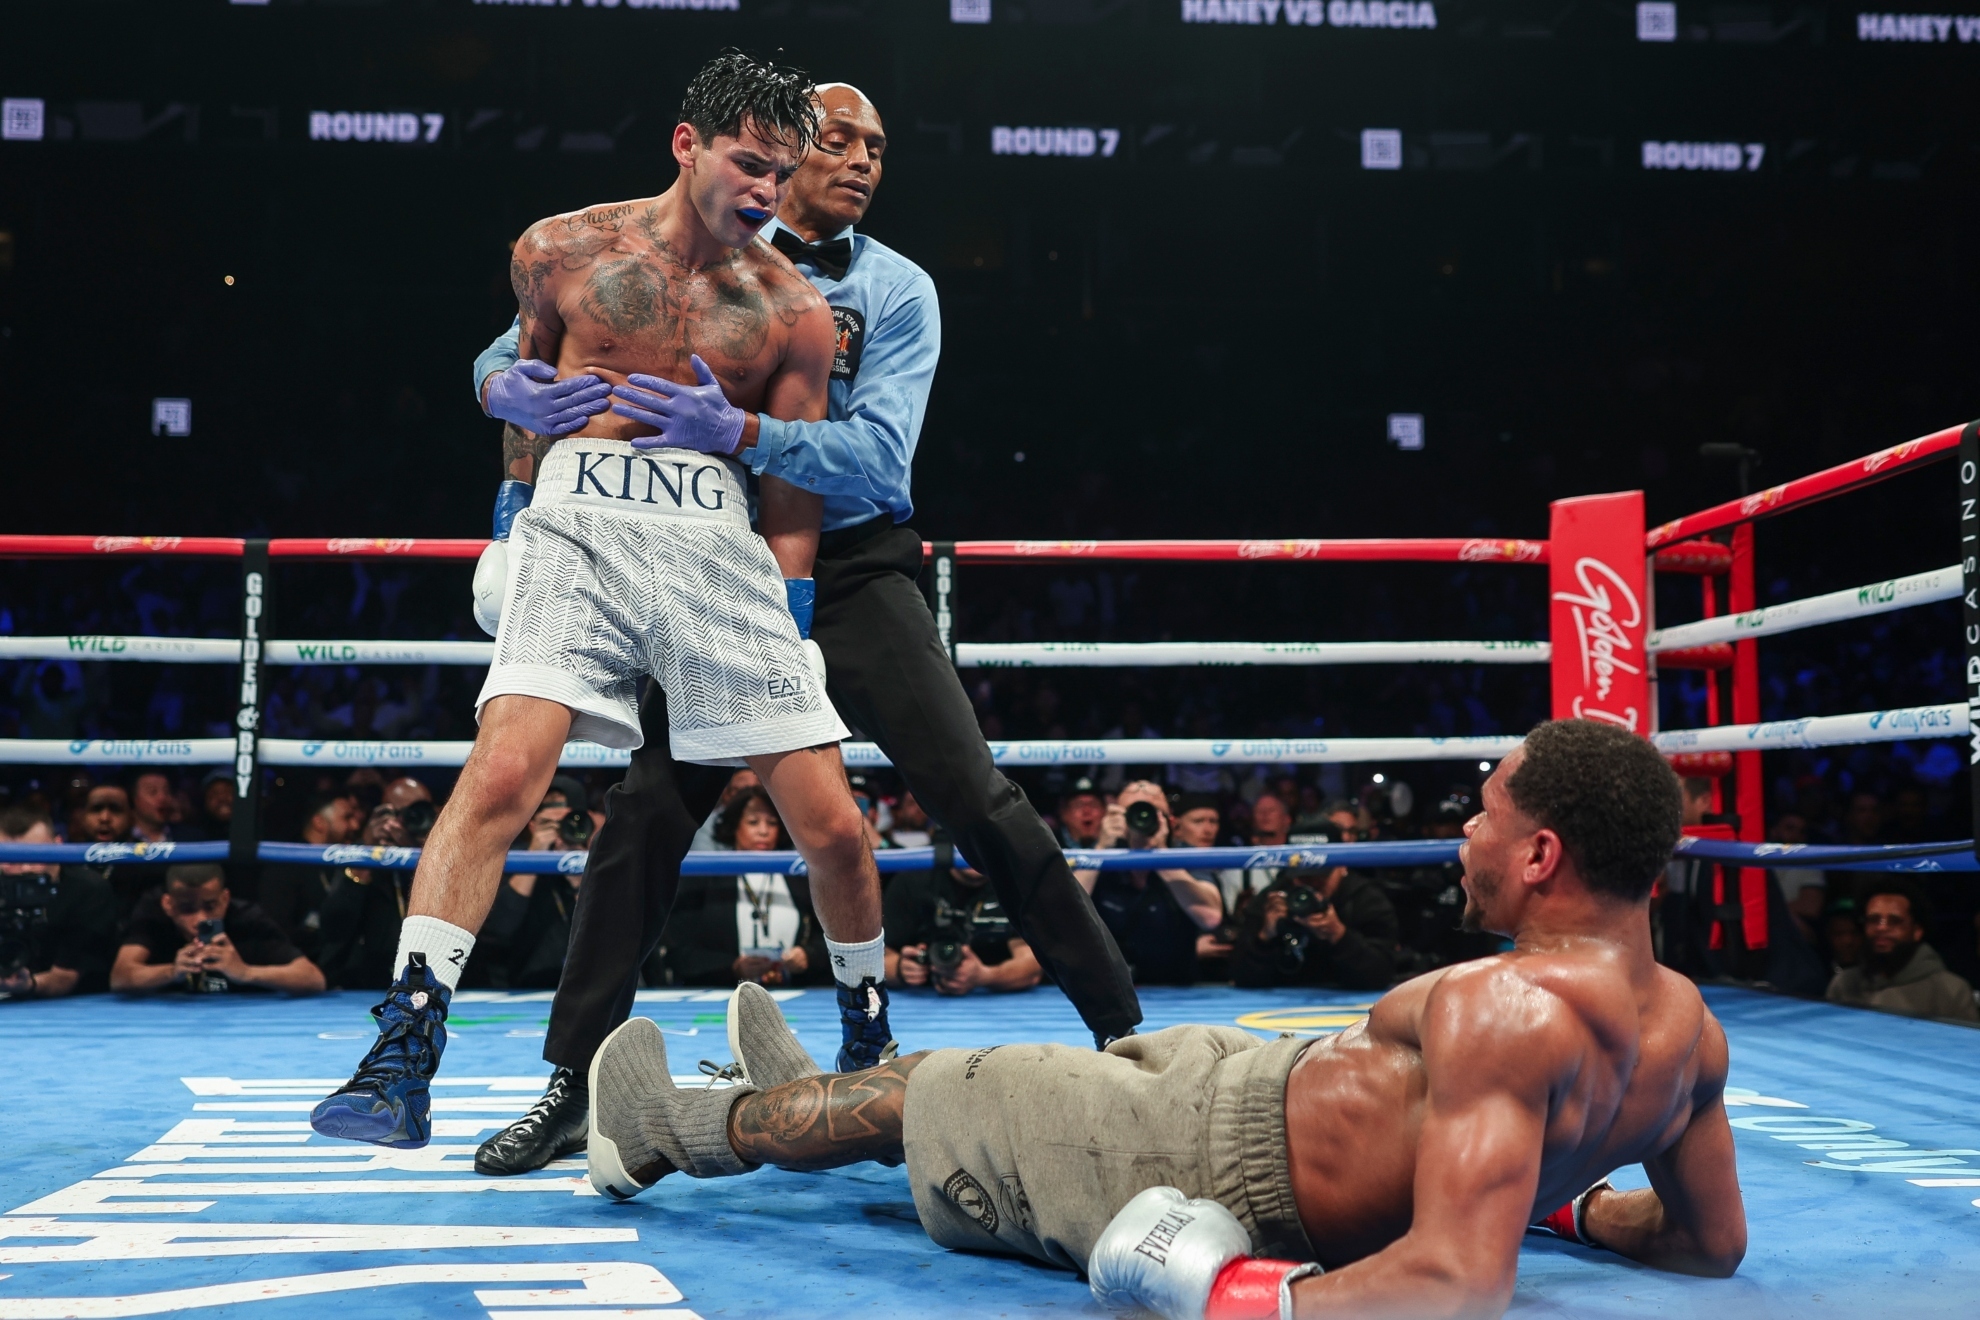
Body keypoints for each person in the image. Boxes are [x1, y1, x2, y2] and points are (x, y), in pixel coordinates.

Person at [467, 76, 1139, 1176]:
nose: (863, 161)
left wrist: (736, 428)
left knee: (973, 793)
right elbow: (508, 351)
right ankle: (570, 1087)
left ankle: (1120, 1028)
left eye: (879, 145)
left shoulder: (899, 290)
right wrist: (505, 388)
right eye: (837, 141)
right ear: (772, 152)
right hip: (708, 559)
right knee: (643, 816)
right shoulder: (682, 249)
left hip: (858, 565)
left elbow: (880, 460)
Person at [584, 717, 1747, 1320]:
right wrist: (1568, 1195)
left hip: (1217, 1164)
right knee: (999, 1078)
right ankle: (799, 1103)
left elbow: (1455, 1284)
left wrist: (1231, 1291)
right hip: (1244, 1086)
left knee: (939, 1095)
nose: (1464, 837)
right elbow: (1708, 1242)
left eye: (1485, 817)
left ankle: (665, 1130)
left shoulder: (1508, 1009)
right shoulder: (1688, 1029)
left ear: (1543, 854)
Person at [313, 53, 891, 1153]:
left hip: (713, 538)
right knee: (503, 775)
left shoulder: (794, 311)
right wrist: (506, 514)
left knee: (836, 829)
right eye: (748, 164)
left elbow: (792, 485)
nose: (766, 191)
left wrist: (798, 606)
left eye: (780, 172)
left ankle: (867, 1042)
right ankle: (404, 1051)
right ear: (688, 143)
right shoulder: (558, 248)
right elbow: (524, 391)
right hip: (577, 518)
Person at [655, 786, 827, 990]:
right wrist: (732, 967)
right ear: (735, 825)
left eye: (772, 823)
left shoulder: (800, 876)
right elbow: (679, 951)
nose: (763, 831)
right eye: (753, 822)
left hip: (797, 992)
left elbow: (829, 935)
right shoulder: (704, 878)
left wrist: (809, 956)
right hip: (719, 992)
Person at [1075, 782, 1222, 986]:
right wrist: (1101, 848)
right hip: (1110, 988)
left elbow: (1211, 917)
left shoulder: (1187, 856)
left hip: (1177, 990)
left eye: (1152, 812)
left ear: (1169, 821)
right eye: (1133, 812)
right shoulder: (1098, 857)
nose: (1142, 820)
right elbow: (1064, 913)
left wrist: (1161, 856)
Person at [1229, 819, 1399, 991]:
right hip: (1283, 1003)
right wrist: (1265, 937)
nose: (1310, 886)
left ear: (1341, 867)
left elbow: (1381, 977)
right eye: (1302, 878)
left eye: (1320, 879)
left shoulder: (1366, 901)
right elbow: (1240, 977)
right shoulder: (1272, 900)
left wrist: (1339, 935)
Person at [112, 863, 326, 995]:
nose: (200, 919)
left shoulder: (247, 919)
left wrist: (246, 972)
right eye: (187, 908)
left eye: (210, 906)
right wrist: (171, 972)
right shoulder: (154, 915)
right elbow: (120, 977)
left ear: (225, 900)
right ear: (168, 904)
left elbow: (312, 978)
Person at [0, 806, 119, 999]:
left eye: (34, 856)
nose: (25, 868)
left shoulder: (88, 890)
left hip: (82, 1004)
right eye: (11, 860)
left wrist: (27, 985)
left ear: (57, 846)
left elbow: (65, 978)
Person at [1825, 879, 1978, 1021]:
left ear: (1917, 931)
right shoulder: (1844, 984)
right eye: (1873, 920)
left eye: (1894, 921)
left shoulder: (1951, 990)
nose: (1882, 927)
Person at [885, 864, 1042, 995]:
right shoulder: (912, 879)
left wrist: (986, 976)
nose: (973, 849)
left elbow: (1032, 966)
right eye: (967, 838)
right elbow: (877, 958)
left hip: (1000, 1000)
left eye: (981, 840)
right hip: (920, 1000)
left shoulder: (1016, 882)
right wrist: (901, 969)